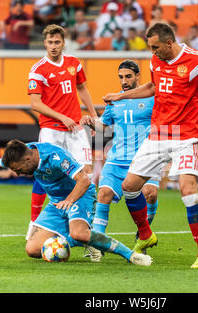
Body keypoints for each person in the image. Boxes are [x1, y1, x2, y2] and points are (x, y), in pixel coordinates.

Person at [103, 23, 198, 269]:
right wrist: (120, 96)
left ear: (169, 43)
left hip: (186, 136)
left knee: (188, 191)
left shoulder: (197, 61)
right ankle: (145, 234)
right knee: (129, 186)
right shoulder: (155, 62)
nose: (152, 53)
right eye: (150, 48)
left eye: (155, 47)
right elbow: (152, 87)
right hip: (159, 134)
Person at [0, 139, 152, 266]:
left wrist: (70, 201)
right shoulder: (19, 154)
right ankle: (87, 241)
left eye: (18, 169)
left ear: (28, 160)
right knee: (32, 250)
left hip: (79, 195)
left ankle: (130, 255)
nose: (18, 173)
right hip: (56, 203)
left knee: (78, 232)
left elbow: (84, 180)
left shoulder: (54, 156)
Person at [80, 60, 159, 262]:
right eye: (121, 77)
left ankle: (143, 233)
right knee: (104, 193)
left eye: (128, 76)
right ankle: (96, 244)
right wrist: (92, 123)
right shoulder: (114, 101)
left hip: (144, 158)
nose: (124, 81)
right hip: (117, 159)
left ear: (138, 76)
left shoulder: (152, 98)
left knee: (150, 194)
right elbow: (103, 128)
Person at [27, 24, 98, 240]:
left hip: (75, 128)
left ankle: (86, 229)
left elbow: (83, 89)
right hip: (51, 129)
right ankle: (34, 223)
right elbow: (35, 104)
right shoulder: (38, 69)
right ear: (44, 43)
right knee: (44, 172)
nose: (53, 46)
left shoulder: (74, 63)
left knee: (85, 175)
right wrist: (62, 117)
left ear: (63, 42)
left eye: (57, 42)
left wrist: (94, 117)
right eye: (50, 42)